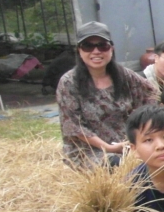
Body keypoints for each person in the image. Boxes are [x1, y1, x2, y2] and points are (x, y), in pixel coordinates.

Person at [56, 21, 158, 168]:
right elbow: (74, 127)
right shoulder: (68, 82)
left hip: (128, 144)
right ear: (79, 50)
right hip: (89, 150)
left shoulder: (125, 76)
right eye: (88, 46)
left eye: (102, 46)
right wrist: (109, 148)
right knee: (123, 166)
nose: (96, 51)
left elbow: (152, 98)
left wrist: (140, 135)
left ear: (112, 48)